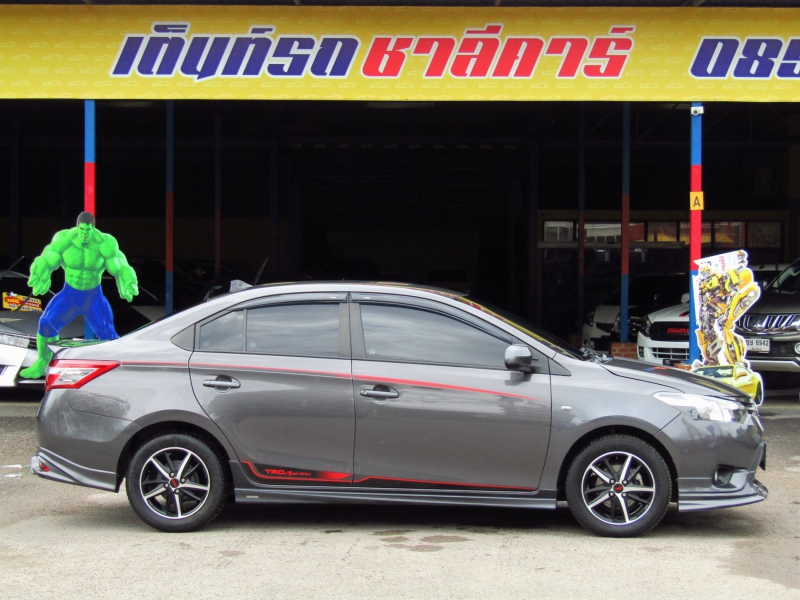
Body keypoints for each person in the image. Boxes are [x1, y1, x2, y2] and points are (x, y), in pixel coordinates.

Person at [19, 212, 138, 379]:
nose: (84, 234)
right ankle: (43, 362)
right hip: (70, 295)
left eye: (88, 230)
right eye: (82, 230)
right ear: (77, 226)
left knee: (108, 333)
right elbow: (47, 258)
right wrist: (42, 273)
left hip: (93, 297)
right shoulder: (64, 240)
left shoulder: (105, 242)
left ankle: (117, 368)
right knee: (46, 324)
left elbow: (120, 266)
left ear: (93, 228)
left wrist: (126, 280)